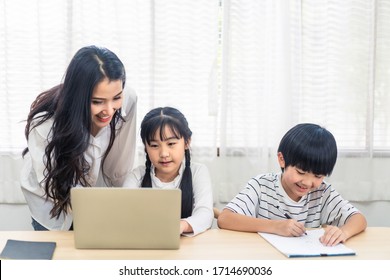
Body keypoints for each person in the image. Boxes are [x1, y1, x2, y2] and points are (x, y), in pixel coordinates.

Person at [21, 45, 137, 231]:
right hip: (51, 200)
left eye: (116, 98)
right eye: (97, 101)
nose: (109, 110)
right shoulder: (45, 125)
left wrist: (124, 205)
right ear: (78, 97)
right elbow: (54, 187)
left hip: (94, 199)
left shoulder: (128, 99)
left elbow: (120, 161)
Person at [218, 123, 367, 246]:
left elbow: (359, 219)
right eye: (301, 172)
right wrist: (276, 226)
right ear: (282, 160)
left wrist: (343, 232)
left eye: (318, 176)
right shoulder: (262, 185)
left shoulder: (323, 192)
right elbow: (225, 219)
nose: (308, 182)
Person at [123, 107, 214, 236]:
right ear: (146, 147)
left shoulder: (198, 172)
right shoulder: (136, 176)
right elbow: (124, 214)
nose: (164, 154)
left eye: (171, 144)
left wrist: (180, 226)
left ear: (187, 142)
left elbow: (205, 214)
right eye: (154, 146)